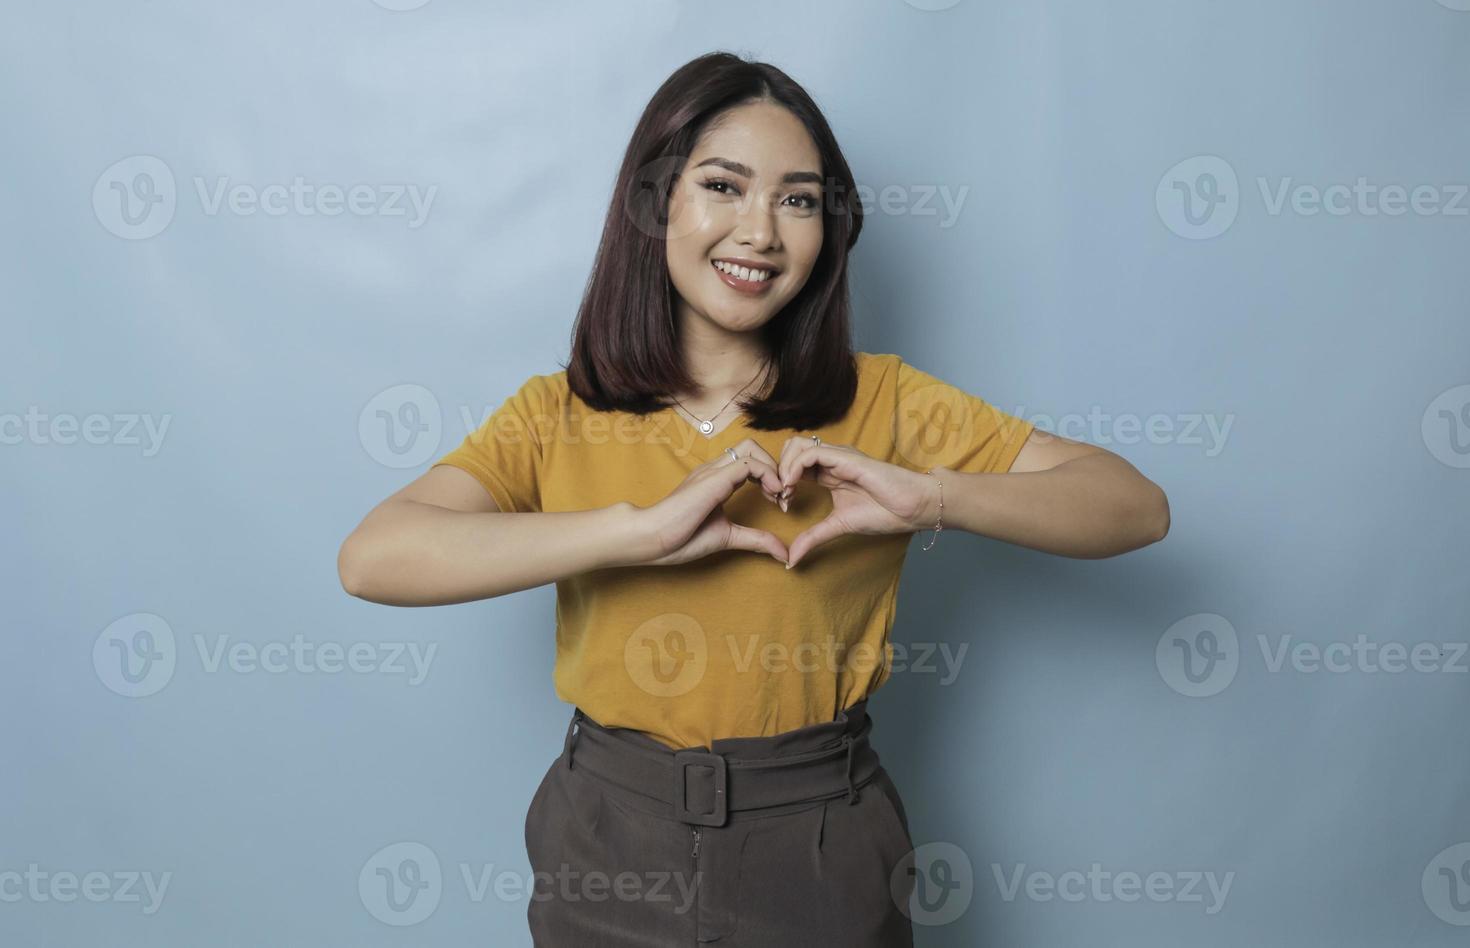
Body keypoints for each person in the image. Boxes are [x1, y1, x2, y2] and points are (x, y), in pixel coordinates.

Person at [337, 50, 1169, 947]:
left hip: (821, 842)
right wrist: (634, 532)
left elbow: (1132, 505)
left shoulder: (883, 401)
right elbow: (374, 557)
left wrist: (932, 497)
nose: (761, 231)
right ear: (656, 204)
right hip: (607, 837)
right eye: (724, 186)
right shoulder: (555, 413)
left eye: (799, 199)